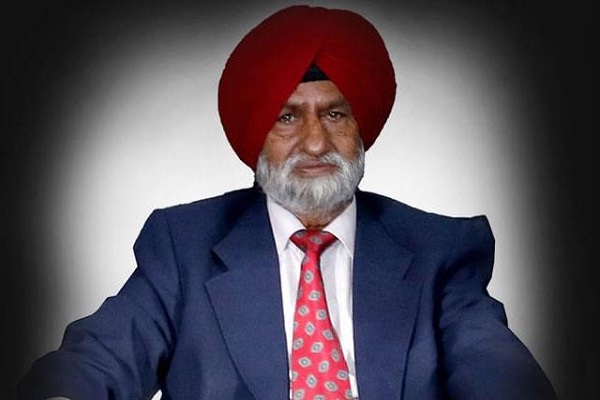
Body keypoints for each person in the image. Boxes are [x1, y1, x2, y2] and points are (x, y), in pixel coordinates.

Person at [19, 5, 557, 400]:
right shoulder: (184, 247)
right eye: (287, 117)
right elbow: (101, 356)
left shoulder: (440, 249)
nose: (316, 143)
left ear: (360, 128)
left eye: (335, 114)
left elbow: (493, 365)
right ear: (257, 133)